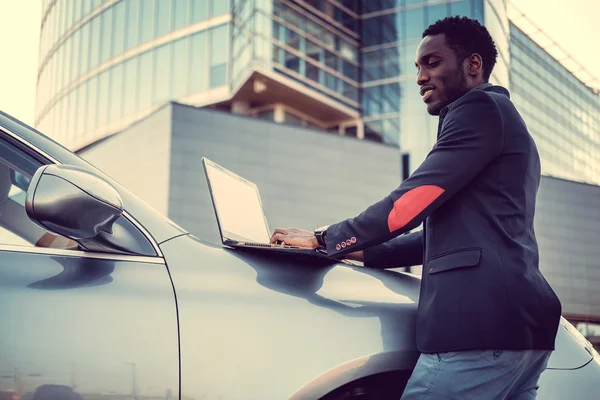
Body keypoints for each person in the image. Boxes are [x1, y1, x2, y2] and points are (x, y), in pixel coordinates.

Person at [269, 16, 562, 399]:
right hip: (521, 332)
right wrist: (352, 250)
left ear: (473, 65)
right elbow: (438, 240)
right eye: (418, 67)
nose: (421, 76)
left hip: (478, 329)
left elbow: (411, 201)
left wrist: (325, 238)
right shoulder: (499, 120)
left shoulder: (479, 110)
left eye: (433, 62)